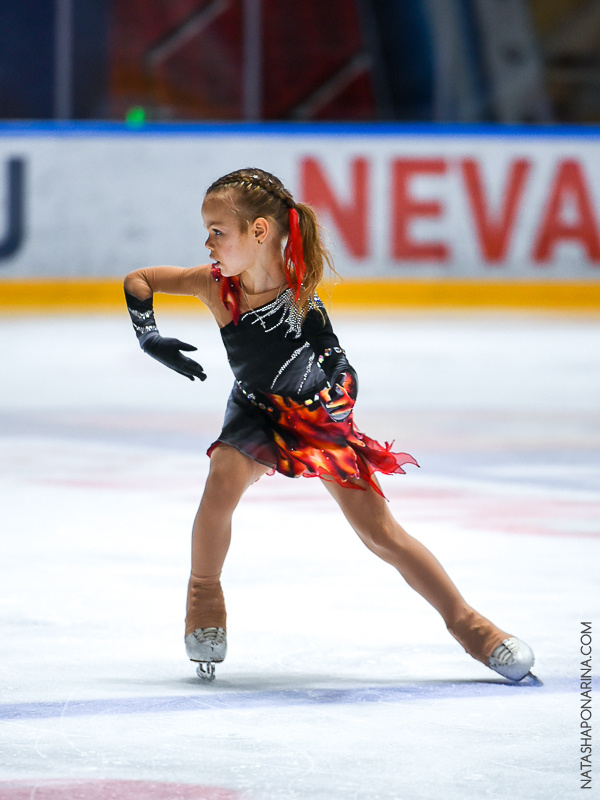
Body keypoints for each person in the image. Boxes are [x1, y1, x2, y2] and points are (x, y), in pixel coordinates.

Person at [124, 167, 534, 683]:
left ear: (258, 231)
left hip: (315, 419)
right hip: (254, 410)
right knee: (221, 480)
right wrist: (148, 337)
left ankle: (471, 626)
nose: (207, 243)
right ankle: (203, 598)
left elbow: (339, 364)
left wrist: (341, 397)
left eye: (217, 231)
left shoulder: (301, 301)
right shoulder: (213, 285)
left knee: (380, 534)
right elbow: (139, 280)